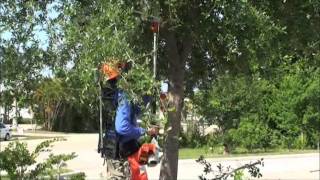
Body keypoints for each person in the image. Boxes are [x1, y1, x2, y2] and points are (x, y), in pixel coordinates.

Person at [101, 61, 159, 180]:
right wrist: (146, 131)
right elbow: (122, 127)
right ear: (122, 73)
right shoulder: (123, 95)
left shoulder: (111, 94)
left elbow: (135, 110)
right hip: (127, 152)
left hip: (114, 149)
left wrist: (146, 96)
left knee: (149, 149)